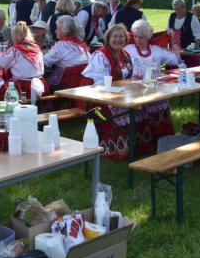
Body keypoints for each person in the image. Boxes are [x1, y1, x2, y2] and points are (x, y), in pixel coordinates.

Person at [81, 24, 159, 160]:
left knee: (142, 108)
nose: (118, 39)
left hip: (117, 92)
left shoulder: (125, 54)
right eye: (115, 36)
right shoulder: (101, 54)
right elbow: (100, 84)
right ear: (108, 38)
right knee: (123, 110)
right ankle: (117, 149)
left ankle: (139, 146)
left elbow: (128, 78)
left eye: (121, 36)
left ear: (126, 38)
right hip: (95, 95)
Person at [0, 22, 50, 103]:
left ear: (16, 36)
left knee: (0, 91)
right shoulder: (37, 48)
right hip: (40, 83)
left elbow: (1, 63)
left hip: (22, 86)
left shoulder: (15, 50)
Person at [44, 15, 90, 89]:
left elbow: (45, 62)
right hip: (84, 83)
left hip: (68, 85)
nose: (55, 31)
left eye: (58, 28)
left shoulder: (62, 45)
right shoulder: (81, 43)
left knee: (42, 85)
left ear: (64, 30)